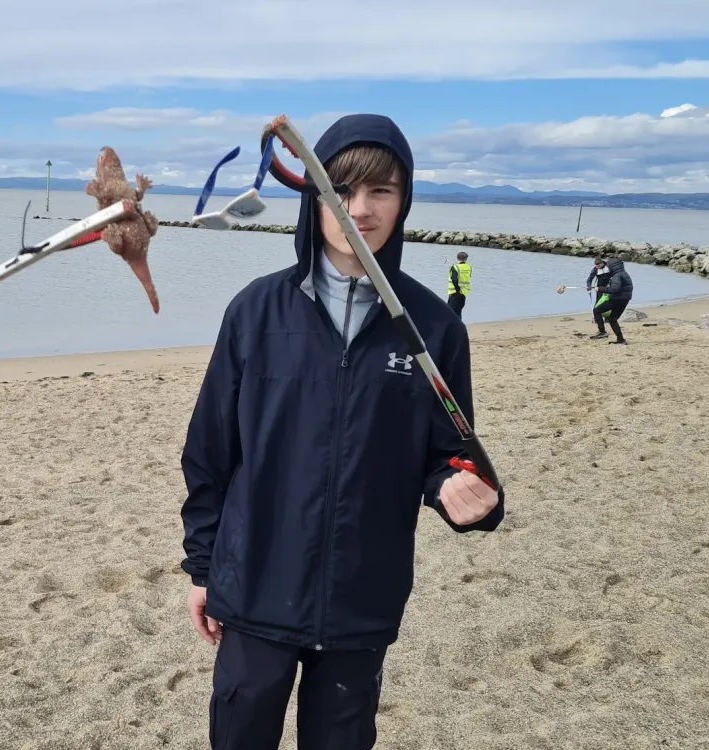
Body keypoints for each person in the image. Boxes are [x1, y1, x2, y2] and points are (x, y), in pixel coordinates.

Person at [179, 114, 505, 750]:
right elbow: (210, 453)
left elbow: (451, 453)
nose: (360, 209)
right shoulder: (256, 310)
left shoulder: (433, 328)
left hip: (363, 596)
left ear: (404, 200)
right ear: (313, 195)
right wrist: (202, 567)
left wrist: (462, 492)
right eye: (342, 190)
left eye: (381, 191)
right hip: (254, 587)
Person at [592, 256, 634, 345]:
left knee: (597, 310)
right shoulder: (623, 273)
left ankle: (602, 332)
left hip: (617, 299)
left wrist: (600, 288)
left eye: (609, 266)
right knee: (612, 318)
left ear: (613, 266)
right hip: (625, 299)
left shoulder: (616, 275)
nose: (608, 267)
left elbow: (614, 289)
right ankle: (621, 340)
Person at [585, 258, 613, 338]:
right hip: (599, 289)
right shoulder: (595, 270)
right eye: (596, 265)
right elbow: (589, 279)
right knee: (598, 305)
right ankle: (599, 321)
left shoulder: (609, 267)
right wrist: (589, 286)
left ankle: (607, 318)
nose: (597, 266)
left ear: (602, 263)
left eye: (598, 265)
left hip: (609, 288)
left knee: (608, 304)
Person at [446, 250, 471, 318]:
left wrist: (458, 290)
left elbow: (454, 279)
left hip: (455, 293)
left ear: (457, 258)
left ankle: (454, 327)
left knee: (450, 312)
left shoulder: (455, 267)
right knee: (458, 311)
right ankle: (459, 326)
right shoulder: (469, 267)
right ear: (466, 259)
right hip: (464, 293)